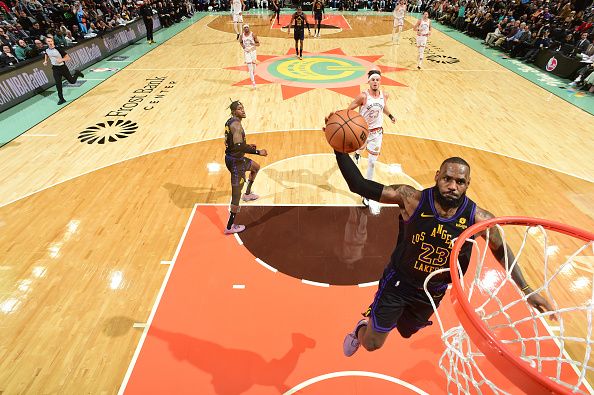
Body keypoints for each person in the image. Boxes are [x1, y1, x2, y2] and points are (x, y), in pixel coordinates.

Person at [326, 152, 557, 357]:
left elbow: (501, 249)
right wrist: (340, 150)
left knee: (407, 332)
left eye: (460, 182)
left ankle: (382, 319)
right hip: (399, 283)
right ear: (437, 176)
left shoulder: (478, 219)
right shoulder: (412, 199)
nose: (452, 186)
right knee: (373, 344)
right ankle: (361, 329)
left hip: (432, 290)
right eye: (447, 178)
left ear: (467, 185)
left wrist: (528, 290)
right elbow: (359, 185)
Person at [347, 69, 396, 206]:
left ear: (380, 81)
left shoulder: (384, 95)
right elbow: (349, 110)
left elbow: (383, 107)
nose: (375, 82)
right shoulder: (363, 96)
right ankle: (357, 153)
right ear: (369, 81)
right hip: (363, 131)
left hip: (377, 133)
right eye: (373, 79)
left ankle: (366, 193)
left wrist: (390, 116)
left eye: (377, 80)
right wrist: (351, 123)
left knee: (372, 163)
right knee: (360, 149)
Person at [224, 101, 268, 234]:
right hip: (236, 163)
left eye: (242, 108)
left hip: (237, 158)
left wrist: (247, 145)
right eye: (239, 109)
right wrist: (257, 151)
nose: (242, 110)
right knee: (236, 195)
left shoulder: (231, 122)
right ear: (233, 111)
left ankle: (247, 194)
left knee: (256, 167)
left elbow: (235, 142)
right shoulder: (236, 125)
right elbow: (238, 146)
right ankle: (229, 226)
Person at [43, 37, 84, 105]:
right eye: (48, 41)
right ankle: (61, 99)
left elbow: (68, 57)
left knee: (72, 81)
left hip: (63, 68)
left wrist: (61, 60)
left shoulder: (58, 49)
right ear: (46, 43)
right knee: (58, 84)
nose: (50, 42)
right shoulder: (47, 50)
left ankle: (77, 73)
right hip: (55, 69)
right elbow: (46, 54)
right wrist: (45, 61)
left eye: (51, 41)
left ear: (53, 41)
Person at [240, 24, 260, 89]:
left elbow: (258, 43)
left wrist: (253, 44)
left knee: (254, 68)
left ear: (249, 28)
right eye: (245, 27)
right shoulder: (242, 35)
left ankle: (253, 76)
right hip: (247, 52)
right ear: (243, 29)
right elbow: (240, 42)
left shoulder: (253, 34)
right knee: (250, 69)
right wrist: (243, 46)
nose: (246, 28)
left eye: (247, 27)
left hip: (253, 52)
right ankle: (253, 83)